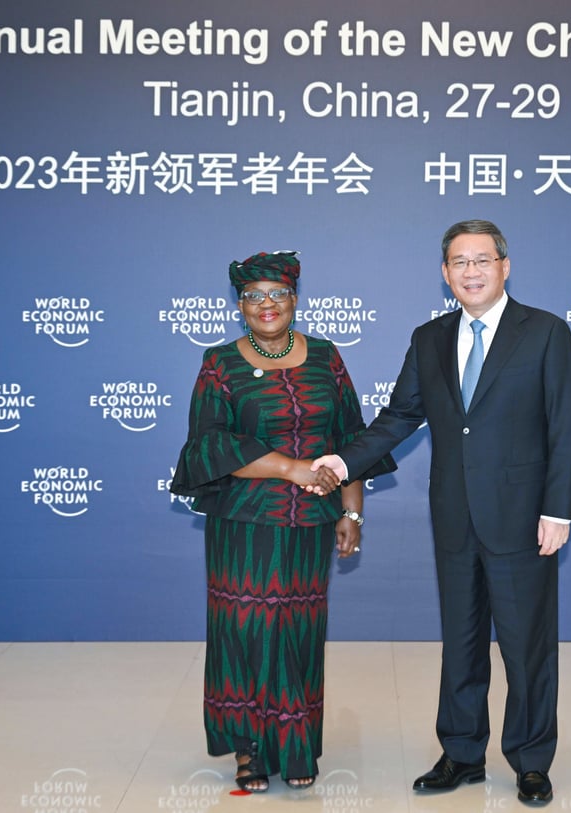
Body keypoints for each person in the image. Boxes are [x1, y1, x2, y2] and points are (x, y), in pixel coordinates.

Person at [309, 220, 571, 805]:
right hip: (455, 514)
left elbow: (565, 425)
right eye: (459, 262)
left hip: (523, 517)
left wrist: (558, 510)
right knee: (460, 641)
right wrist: (343, 460)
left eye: (482, 260)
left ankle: (531, 760)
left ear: (505, 266)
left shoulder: (545, 332)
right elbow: (399, 416)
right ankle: (461, 753)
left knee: (527, 646)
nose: (471, 272)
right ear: (444, 273)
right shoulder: (429, 338)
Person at [170, 250, 395, 793]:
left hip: (310, 524)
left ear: (294, 299)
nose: (266, 304)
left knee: (298, 630)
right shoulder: (219, 363)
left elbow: (350, 439)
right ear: (239, 305)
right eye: (253, 296)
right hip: (244, 524)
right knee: (246, 629)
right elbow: (209, 446)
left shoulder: (327, 357)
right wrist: (291, 468)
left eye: (277, 294)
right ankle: (249, 748)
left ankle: (295, 745)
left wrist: (352, 511)